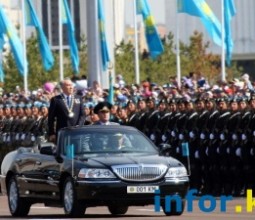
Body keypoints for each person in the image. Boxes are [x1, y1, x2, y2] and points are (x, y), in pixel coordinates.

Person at [48, 78, 85, 143]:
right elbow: (51, 118)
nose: (71, 87)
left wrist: (79, 126)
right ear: (62, 87)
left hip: (76, 132)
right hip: (63, 132)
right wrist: (52, 133)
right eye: (68, 85)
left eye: (71, 85)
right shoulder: (56, 100)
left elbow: (82, 114)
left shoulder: (78, 98)